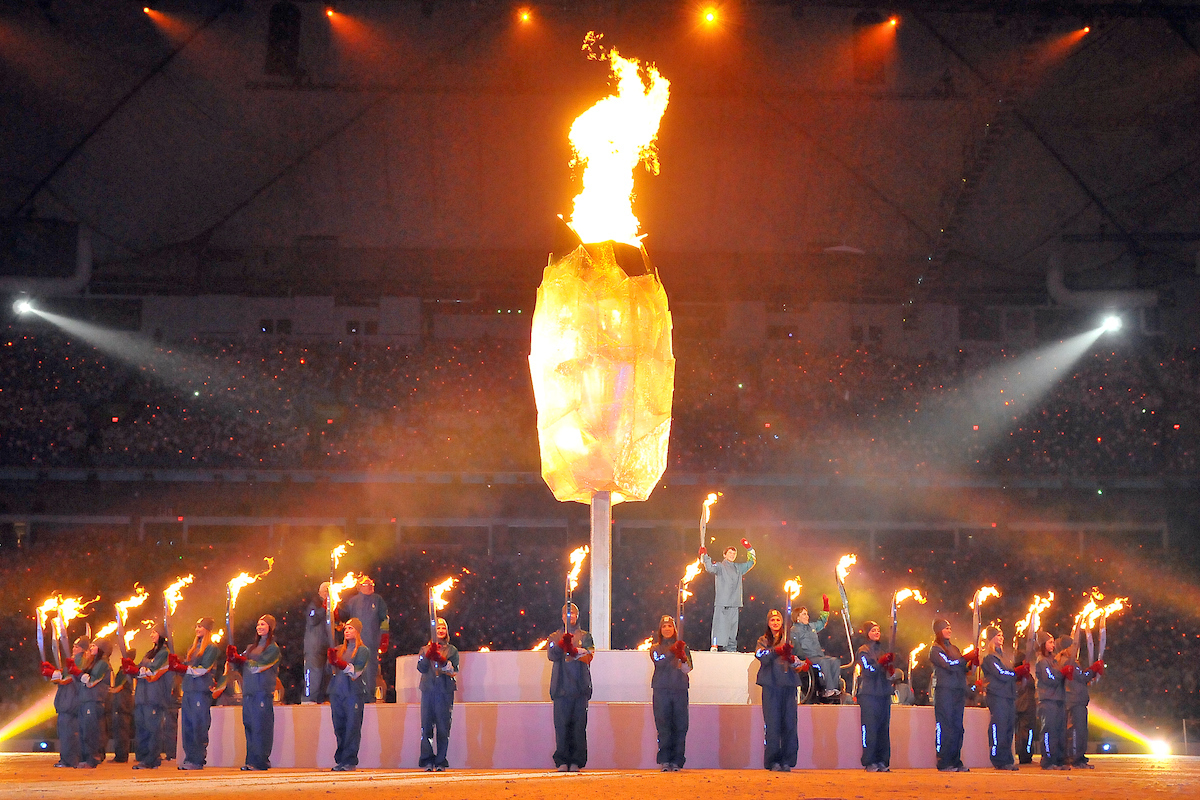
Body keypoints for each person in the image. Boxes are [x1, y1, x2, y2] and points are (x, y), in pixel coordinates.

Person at [227, 615, 281, 771]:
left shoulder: (273, 648)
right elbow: (241, 664)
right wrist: (233, 658)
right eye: (258, 624)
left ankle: (261, 761)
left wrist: (241, 659)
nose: (260, 627)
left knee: (260, 727)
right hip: (249, 692)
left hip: (262, 692)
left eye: (263, 624)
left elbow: (259, 666)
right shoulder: (251, 647)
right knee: (249, 726)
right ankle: (251, 760)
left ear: (270, 627)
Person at [546, 602, 594, 772]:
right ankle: (562, 760)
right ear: (562, 616)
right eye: (567, 613)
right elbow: (551, 655)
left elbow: (589, 656)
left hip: (580, 688)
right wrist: (561, 644)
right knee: (562, 726)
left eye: (573, 613)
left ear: (577, 616)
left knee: (578, 727)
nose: (570, 616)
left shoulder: (585, 636)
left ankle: (576, 761)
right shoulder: (554, 637)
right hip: (561, 688)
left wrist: (574, 650)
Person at [930, 618, 976, 772]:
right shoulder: (936, 649)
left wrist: (971, 663)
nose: (949, 630)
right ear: (938, 630)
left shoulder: (955, 648)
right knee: (946, 726)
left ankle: (956, 760)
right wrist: (965, 659)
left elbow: (962, 668)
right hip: (945, 691)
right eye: (946, 628)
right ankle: (944, 761)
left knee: (957, 727)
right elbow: (948, 665)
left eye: (950, 627)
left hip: (957, 690)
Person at [755, 609, 799, 772]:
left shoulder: (790, 639)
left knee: (789, 724)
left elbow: (800, 661)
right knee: (772, 725)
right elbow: (761, 655)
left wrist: (792, 659)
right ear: (768, 623)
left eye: (778, 620)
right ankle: (773, 761)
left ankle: (787, 760)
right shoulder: (763, 640)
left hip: (788, 685)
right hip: (771, 686)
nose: (775, 622)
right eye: (772, 620)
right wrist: (776, 651)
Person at [328, 617, 371, 771]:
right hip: (337, 692)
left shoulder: (362, 650)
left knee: (352, 727)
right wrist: (331, 661)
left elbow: (356, 672)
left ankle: (349, 761)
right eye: (346, 629)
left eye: (351, 628)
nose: (347, 631)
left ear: (358, 631)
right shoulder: (339, 649)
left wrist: (338, 663)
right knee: (339, 727)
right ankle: (340, 760)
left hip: (353, 692)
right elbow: (331, 671)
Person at [416, 616, 459, 772]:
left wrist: (441, 660)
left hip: (444, 691)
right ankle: (427, 760)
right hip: (428, 690)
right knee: (426, 726)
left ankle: (440, 761)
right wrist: (429, 655)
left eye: (443, 628)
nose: (441, 631)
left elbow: (454, 670)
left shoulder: (452, 650)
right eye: (438, 628)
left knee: (443, 727)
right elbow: (421, 667)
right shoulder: (424, 649)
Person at [176, 618, 221, 770]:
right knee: (187, 725)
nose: (197, 629)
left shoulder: (211, 648)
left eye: (200, 626)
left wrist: (184, 669)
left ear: (207, 629)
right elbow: (188, 669)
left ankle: (198, 758)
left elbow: (203, 669)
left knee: (198, 725)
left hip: (200, 691)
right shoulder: (193, 648)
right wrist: (177, 666)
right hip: (188, 690)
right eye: (196, 626)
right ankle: (189, 757)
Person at [650, 615, 691, 772]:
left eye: (670, 626)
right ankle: (665, 760)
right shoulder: (655, 648)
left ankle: (677, 760)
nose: (667, 629)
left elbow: (688, 668)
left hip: (679, 689)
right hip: (661, 690)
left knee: (680, 726)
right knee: (664, 726)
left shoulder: (682, 646)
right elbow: (658, 661)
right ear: (660, 630)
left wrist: (682, 657)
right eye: (664, 626)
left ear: (674, 629)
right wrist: (671, 652)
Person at [338, 576, 389, 703]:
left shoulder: (377, 600)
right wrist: (335, 604)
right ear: (359, 587)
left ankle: (369, 696)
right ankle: (355, 695)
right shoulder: (353, 601)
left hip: (372, 640)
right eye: (366, 584)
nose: (370, 585)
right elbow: (344, 614)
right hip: (356, 643)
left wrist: (384, 636)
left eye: (371, 583)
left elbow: (385, 618)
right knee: (354, 667)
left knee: (371, 668)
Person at [980, 625, 1024, 771]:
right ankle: (998, 759)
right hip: (997, 695)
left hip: (1008, 695)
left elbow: (1008, 672)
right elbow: (1001, 674)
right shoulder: (989, 657)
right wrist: (1016, 673)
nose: (1001, 638)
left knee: (1008, 728)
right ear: (991, 638)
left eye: (1002, 635)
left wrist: (1017, 673)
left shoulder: (1004, 656)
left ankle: (1007, 759)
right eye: (998, 635)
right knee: (999, 727)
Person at [700, 538, 756, 651]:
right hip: (722, 602)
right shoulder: (720, 566)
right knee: (719, 626)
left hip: (735, 603)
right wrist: (705, 556)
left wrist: (749, 549)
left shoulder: (738, 568)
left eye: (734, 553)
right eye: (730, 553)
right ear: (724, 555)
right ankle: (714, 646)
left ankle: (731, 648)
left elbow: (751, 562)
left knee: (732, 629)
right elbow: (710, 568)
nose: (732, 555)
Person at [128, 625, 171, 769]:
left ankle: (152, 759)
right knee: (142, 727)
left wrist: (139, 670)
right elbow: (140, 669)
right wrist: (130, 667)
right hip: (142, 696)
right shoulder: (149, 653)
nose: (152, 635)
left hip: (154, 696)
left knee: (153, 729)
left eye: (154, 632)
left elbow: (152, 671)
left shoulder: (165, 653)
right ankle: (143, 757)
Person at [856, 620, 896, 773]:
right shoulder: (863, 650)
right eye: (873, 630)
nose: (876, 633)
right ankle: (870, 761)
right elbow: (868, 670)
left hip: (884, 693)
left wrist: (890, 667)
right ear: (867, 633)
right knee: (870, 728)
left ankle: (882, 760)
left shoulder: (883, 650)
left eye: (878, 630)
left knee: (882, 729)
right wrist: (881, 663)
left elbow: (887, 671)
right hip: (869, 694)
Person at [1063, 633, 1104, 769]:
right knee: (1076, 731)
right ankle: (1075, 759)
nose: (1077, 648)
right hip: (1074, 700)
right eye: (1073, 646)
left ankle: (1079, 758)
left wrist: (1091, 672)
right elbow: (1081, 677)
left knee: (1080, 731)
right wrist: (1092, 670)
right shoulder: (1068, 661)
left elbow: (1081, 677)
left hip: (1077, 700)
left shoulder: (1072, 661)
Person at [789, 594, 843, 700]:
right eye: (804, 614)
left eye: (807, 614)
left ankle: (835, 688)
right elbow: (796, 646)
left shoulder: (812, 626)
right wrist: (804, 658)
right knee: (824, 662)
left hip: (818, 655)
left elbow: (822, 622)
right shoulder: (794, 630)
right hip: (808, 657)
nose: (807, 616)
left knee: (834, 661)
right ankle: (829, 689)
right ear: (797, 617)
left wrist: (826, 606)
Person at [40, 636, 81, 768]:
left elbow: (70, 678)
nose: (74, 648)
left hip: (71, 704)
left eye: (77, 646)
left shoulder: (81, 661)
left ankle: (70, 760)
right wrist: (52, 672)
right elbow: (64, 677)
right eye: (73, 646)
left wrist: (58, 678)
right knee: (64, 734)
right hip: (64, 703)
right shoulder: (72, 662)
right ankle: (65, 759)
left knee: (69, 734)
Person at [1033, 630, 1069, 770]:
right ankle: (1048, 760)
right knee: (1049, 731)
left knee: (1060, 731)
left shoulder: (1053, 661)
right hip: (1047, 700)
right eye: (1050, 642)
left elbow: (1058, 678)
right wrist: (1062, 674)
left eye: (1053, 642)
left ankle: (1059, 760)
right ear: (1043, 644)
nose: (1053, 645)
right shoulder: (1042, 661)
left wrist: (1065, 674)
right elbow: (1050, 679)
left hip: (1058, 698)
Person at [78, 638, 112, 768]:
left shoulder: (103, 663)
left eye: (94, 646)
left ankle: (91, 759)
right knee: (83, 730)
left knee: (90, 731)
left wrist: (79, 674)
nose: (91, 648)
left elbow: (91, 682)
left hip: (93, 700)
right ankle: (85, 758)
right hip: (86, 700)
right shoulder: (91, 662)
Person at [303, 582, 331, 705]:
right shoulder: (315, 604)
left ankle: (322, 698)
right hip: (315, 645)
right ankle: (309, 699)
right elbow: (312, 620)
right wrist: (323, 608)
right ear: (320, 593)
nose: (328, 594)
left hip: (328, 645)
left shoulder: (332, 606)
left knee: (326, 672)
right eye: (326, 591)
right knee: (314, 672)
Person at [109, 647, 135, 763]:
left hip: (123, 704)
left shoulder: (128, 669)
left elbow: (120, 686)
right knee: (118, 730)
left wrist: (109, 690)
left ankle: (122, 756)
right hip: (119, 703)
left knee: (122, 731)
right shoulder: (123, 669)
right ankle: (119, 755)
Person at [1013, 650, 1036, 764]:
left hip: (1022, 706)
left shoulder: (1022, 673)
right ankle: (1025, 756)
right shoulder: (1019, 674)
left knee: (1023, 733)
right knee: (1027, 733)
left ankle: (1025, 755)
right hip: (1025, 706)